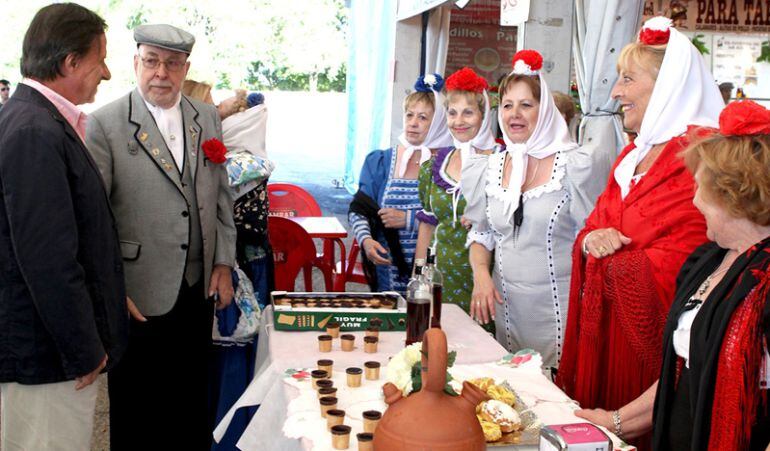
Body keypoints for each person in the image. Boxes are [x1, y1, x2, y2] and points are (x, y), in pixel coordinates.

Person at [556, 17, 724, 447]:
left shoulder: (700, 157)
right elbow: (593, 227)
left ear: (668, 86)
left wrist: (615, 260)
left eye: (628, 79)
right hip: (607, 348)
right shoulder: (632, 156)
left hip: (653, 364)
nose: (616, 92)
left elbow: (695, 260)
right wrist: (592, 241)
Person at [575, 100, 770, 451]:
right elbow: (684, 375)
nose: (694, 201)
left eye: (700, 189)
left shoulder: (765, 281)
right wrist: (615, 421)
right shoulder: (707, 262)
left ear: (733, 195)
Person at [86, 24, 237, 449]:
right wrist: (109, 289)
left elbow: (220, 195)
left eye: (172, 63)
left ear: (185, 68)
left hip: (197, 286)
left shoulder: (205, 116)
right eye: (151, 61)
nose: (161, 73)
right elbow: (94, 220)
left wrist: (223, 262)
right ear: (135, 63)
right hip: (137, 292)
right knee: (139, 406)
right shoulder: (105, 124)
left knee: (191, 399)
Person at [0, 4, 127, 450]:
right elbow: (47, 257)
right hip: (44, 356)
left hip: (47, 350)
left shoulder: (39, 120)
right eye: (100, 59)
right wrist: (84, 350)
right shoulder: (35, 130)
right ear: (70, 62)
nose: (107, 73)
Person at [463, 50, 612, 370]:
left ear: (544, 111)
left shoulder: (575, 165)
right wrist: (480, 274)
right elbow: (482, 232)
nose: (514, 114)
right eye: (507, 105)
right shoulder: (489, 167)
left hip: (561, 314)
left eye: (526, 105)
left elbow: (595, 233)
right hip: (507, 311)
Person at [349, 73, 452, 294]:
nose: (413, 124)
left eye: (423, 118)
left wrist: (408, 219)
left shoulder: (451, 164)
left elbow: (455, 218)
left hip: (436, 271)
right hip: (388, 272)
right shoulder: (381, 161)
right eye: (409, 115)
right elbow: (360, 209)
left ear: (440, 122)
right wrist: (366, 240)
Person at [415, 67, 499, 315]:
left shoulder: (503, 163)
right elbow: (427, 226)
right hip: (441, 279)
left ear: (484, 115)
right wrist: (419, 278)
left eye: (468, 113)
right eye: (452, 113)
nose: (458, 121)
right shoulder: (434, 166)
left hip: (488, 280)